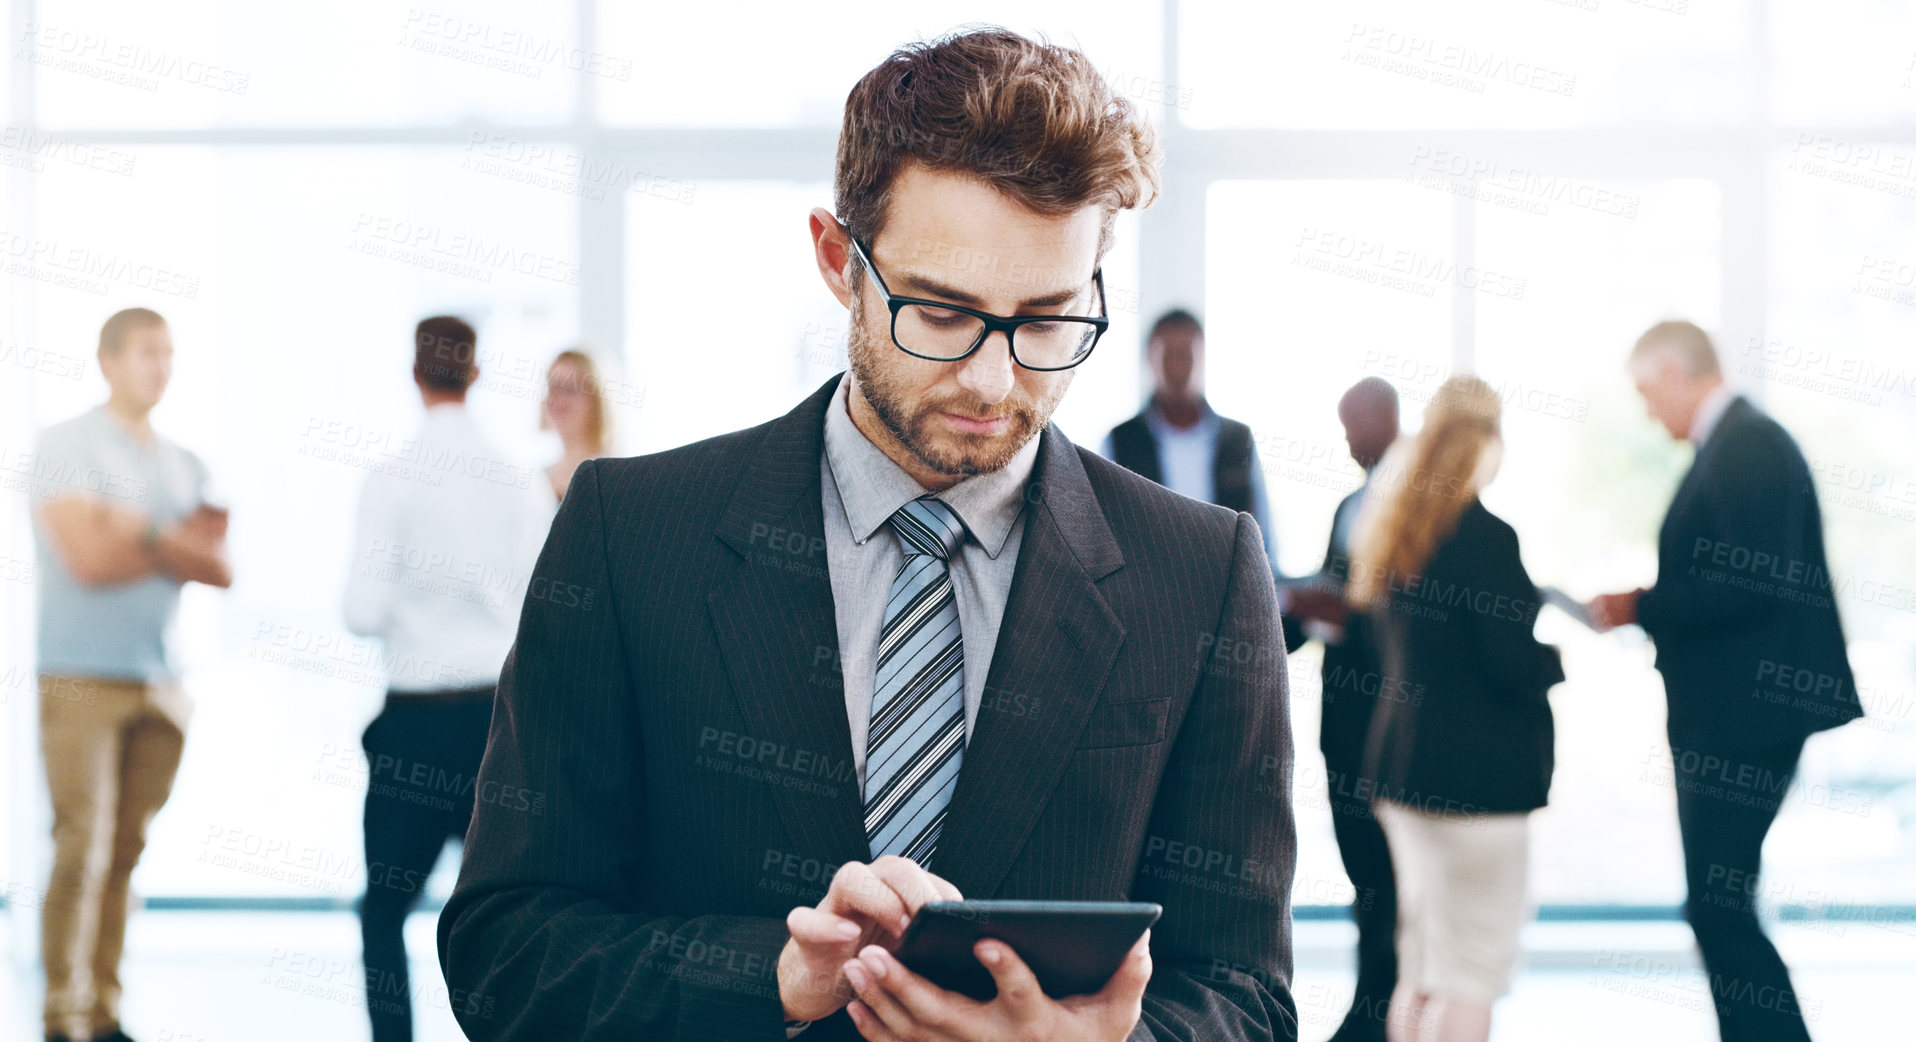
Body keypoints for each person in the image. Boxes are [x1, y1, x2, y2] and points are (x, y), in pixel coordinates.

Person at [439, 28, 1299, 1042]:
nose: (991, 380)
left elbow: (1245, 994)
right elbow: (508, 952)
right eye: (938, 313)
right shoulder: (630, 538)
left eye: (1045, 319)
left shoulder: (1198, 575)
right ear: (837, 259)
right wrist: (773, 977)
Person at [1588, 320, 1861, 1042]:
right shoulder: (1735, 444)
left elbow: (1752, 582)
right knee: (1719, 902)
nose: (1649, 411)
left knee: (1718, 904)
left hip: (1747, 717)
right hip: (1739, 713)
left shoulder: (1749, 444)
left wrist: (1641, 605)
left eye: (1649, 393)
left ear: (1678, 372)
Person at [342, 315, 550, 1042]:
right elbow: (540, 609)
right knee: (511, 911)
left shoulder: (392, 478)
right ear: (477, 371)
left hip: (415, 724)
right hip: (500, 727)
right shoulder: (519, 482)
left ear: (413, 371)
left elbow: (360, 610)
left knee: (383, 912)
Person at [30, 307, 233, 1042]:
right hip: (81, 678)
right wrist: (170, 540)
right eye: (149, 352)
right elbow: (85, 563)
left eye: (170, 354)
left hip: (163, 682)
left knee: (125, 852)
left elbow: (219, 565)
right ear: (108, 359)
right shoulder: (66, 446)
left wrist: (137, 527)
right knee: (80, 846)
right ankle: (63, 1013)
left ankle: (104, 1010)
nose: (162, 367)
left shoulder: (187, 464)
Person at [1345, 376, 1563, 1042]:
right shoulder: (1486, 537)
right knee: (1471, 975)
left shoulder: (1395, 531)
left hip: (1404, 775)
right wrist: (1554, 659)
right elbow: (1508, 663)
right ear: (1485, 444)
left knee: (1421, 969)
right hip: (1479, 790)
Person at [1278, 377, 1401, 1042]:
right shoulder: (1352, 505)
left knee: (1390, 871)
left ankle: (1384, 1013)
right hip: (1346, 722)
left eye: (1354, 426)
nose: (1347, 441)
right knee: (1364, 865)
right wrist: (1292, 610)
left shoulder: (1417, 506)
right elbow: (1337, 597)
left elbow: (1408, 614)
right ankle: (1373, 1005)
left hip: (1394, 720)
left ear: (1387, 420)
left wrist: (1340, 611)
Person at [1100, 309, 1279, 567]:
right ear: (1150, 360)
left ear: (1202, 359)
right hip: (1147, 592)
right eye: (1167, 356)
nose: (1177, 368)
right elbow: (1105, 532)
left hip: (1229, 587)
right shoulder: (1120, 440)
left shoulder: (1239, 440)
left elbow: (1265, 538)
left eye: (1187, 356)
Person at [538, 348, 612, 504]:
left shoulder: (612, 476)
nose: (557, 399)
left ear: (597, 400)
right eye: (553, 387)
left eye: (571, 389)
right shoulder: (539, 477)